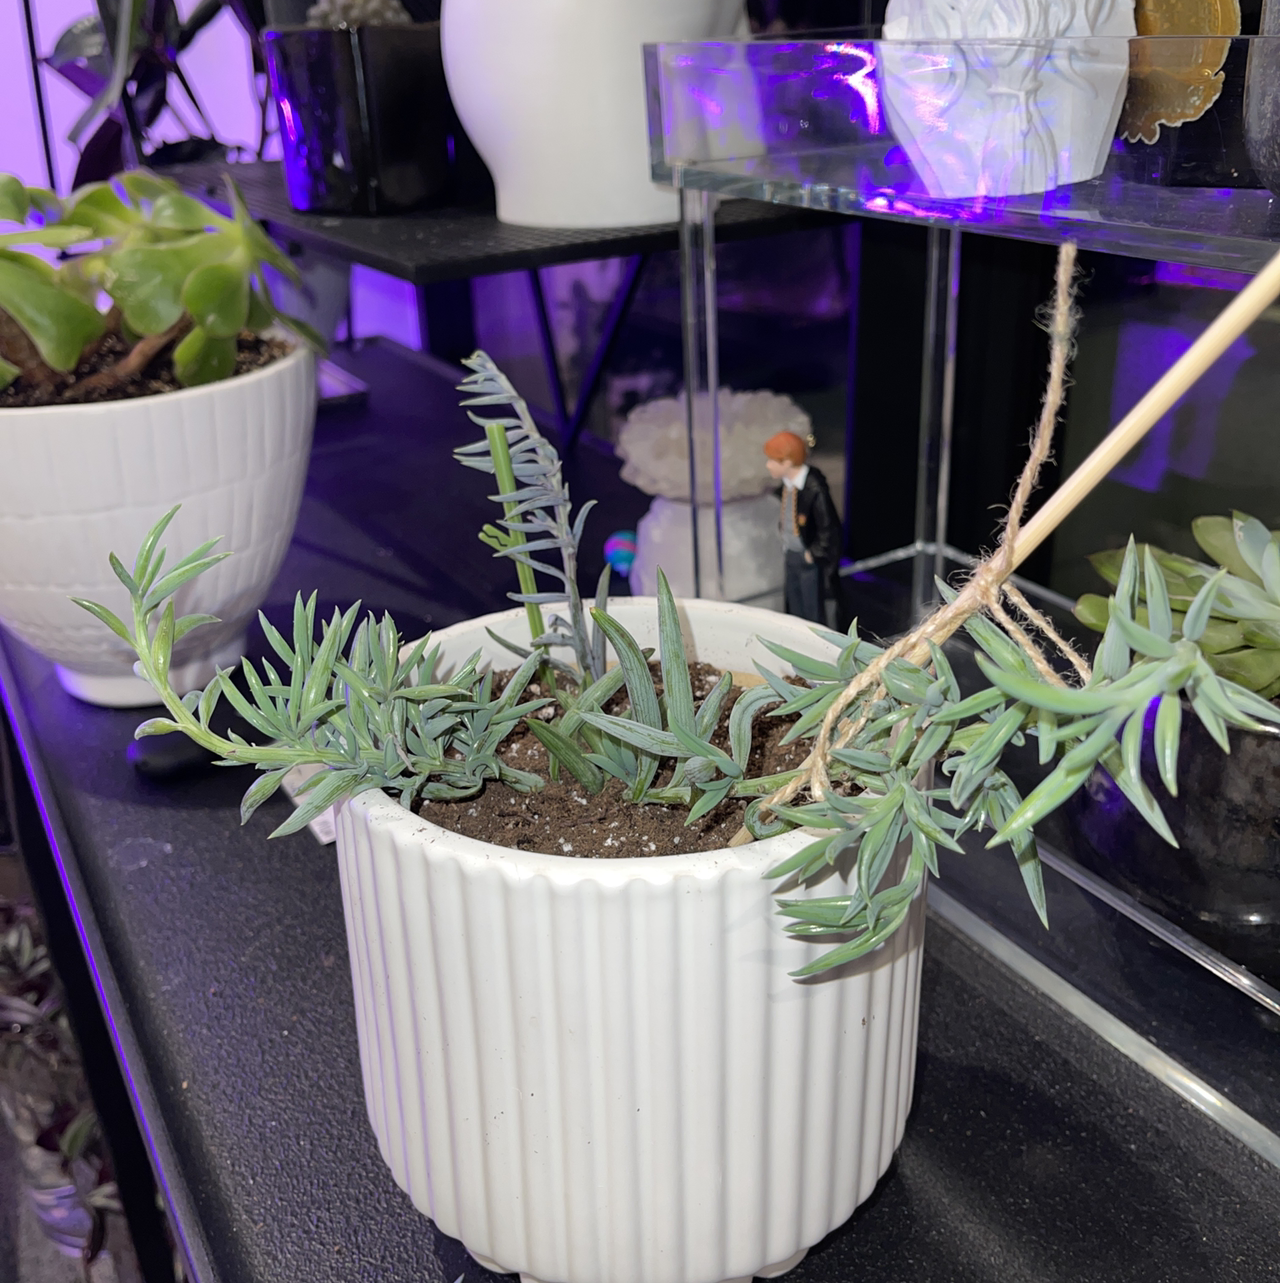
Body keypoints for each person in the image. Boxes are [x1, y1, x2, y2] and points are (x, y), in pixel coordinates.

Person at [763, 430, 840, 623]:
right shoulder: (787, 486)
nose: (768, 465)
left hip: (809, 559)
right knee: (794, 605)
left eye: (773, 460)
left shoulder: (814, 488)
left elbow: (828, 526)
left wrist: (814, 552)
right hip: (791, 553)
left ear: (787, 462)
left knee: (812, 609)